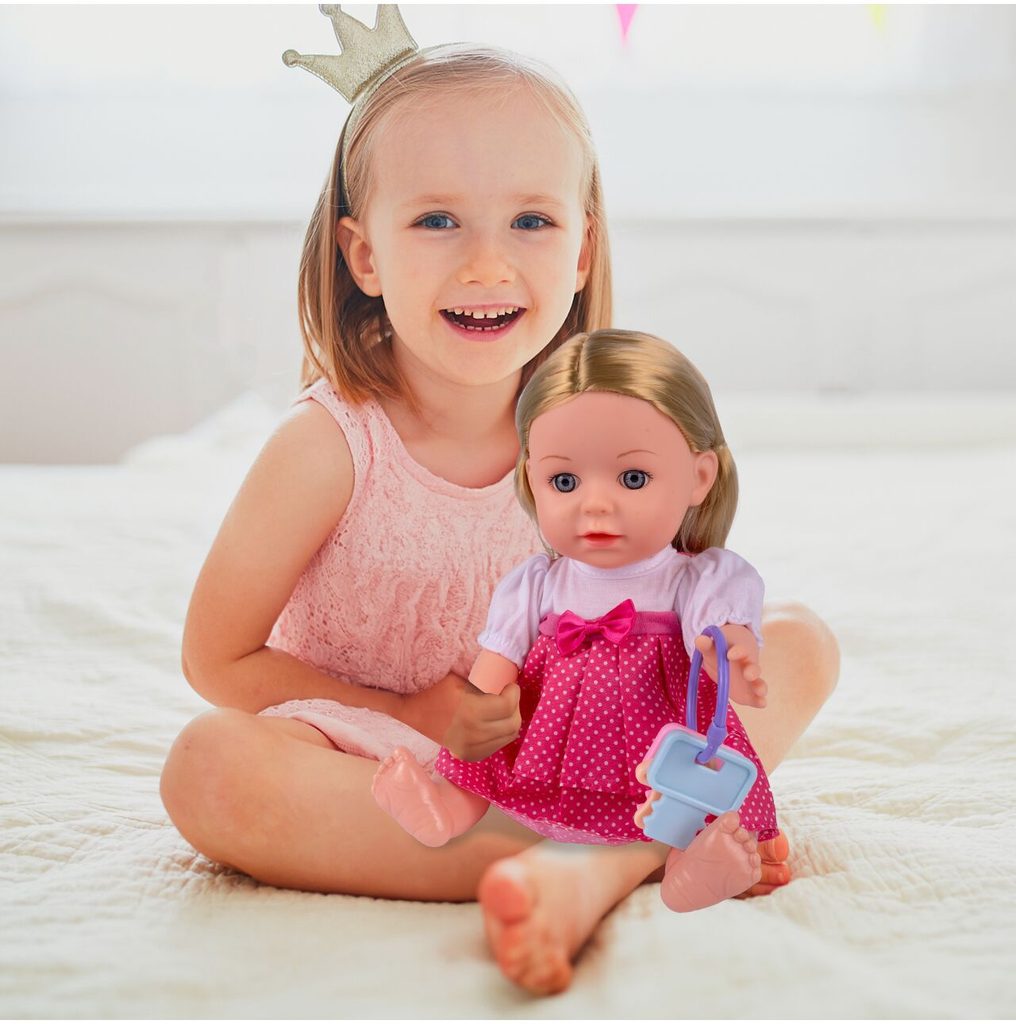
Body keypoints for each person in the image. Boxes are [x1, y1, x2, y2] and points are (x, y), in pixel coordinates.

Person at [160, 7, 840, 997]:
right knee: (208, 767)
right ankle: (621, 847)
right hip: (371, 748)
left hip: (559, 742)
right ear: (362, 254)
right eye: (436, 220)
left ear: (580, 250)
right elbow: (215, 660)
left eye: (530, 220)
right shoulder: (329, 447)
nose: (486, 263)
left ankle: (593, 857)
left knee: (798, 640)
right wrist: (406, 712)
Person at [372, 330, 777, 913]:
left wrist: (728, 652)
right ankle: (447, 808)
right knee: (479, 761)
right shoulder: (537, 581)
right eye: (564, 482)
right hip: (549, 731)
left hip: (654, 732)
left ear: (699, 477)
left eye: (632, 478)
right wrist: (478, 711)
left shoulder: (694, 577)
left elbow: (720, 621)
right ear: (532, 481)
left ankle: (693, 866)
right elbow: (499, 657)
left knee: (689, 793)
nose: (595, 504)